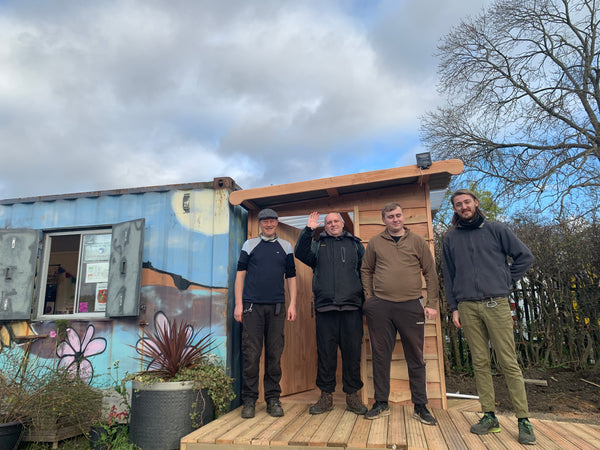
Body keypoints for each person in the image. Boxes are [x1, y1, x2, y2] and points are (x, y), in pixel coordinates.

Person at [442, 188, 536, 445]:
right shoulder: (450, 239)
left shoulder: (496, 229)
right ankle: (489, 416)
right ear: (455, 209)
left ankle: (523, 419)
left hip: (496, 303)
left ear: (476, 203)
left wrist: (505, 282)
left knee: (508, 362)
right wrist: (454, 307)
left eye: (466, 202)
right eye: (458, 204)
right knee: (480, 363)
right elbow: (449, 277)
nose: (463, 207)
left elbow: (525, 257)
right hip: (467, 307)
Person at [361, 202, 438, 425]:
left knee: (415, 356)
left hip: (411, 305)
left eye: (398, 215)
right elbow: (366, 270)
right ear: (383, 220)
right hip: (381, 307)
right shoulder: (375, 242)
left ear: (403, 217)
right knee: (380, 355)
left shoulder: (417, 241)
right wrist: (369, 299)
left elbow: (431, 272)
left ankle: (421, 406)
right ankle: (381, 403)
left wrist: (431, 303)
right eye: (390, 217)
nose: (395, 220)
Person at [294, 212, 368, 415]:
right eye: (329, 222)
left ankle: (353, 397)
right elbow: (300, 253)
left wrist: (367, 303)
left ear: (342, 224)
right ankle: (325, 398)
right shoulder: (317, 245)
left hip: (352, 308)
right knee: (326, 355)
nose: (333, 224)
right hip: (326, 309)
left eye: (336, 221)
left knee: (352, 354)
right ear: (324, 226)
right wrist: (308, 230)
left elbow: (365, 272)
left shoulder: (355, 244)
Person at [234, 208, 297, 419]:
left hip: (278, 308)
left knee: (274, 355)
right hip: (252, 307)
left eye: (272, 221)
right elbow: (240, 276)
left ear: (277, 222)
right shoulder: (249, 245)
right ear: (260, 224)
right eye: (265, 221)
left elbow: (291, 277)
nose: (268, 224)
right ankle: (249, 400)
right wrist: (238, 304)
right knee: (251, 355)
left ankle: (272, 400)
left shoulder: (286, 247)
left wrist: (293, 304)